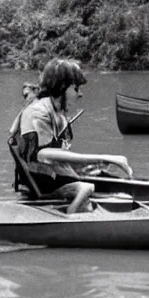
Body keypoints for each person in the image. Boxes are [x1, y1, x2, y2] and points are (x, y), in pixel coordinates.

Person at [10, 58, 131, 213]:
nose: (80, 94)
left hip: (54, 174)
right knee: (89, 188)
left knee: (108, 180)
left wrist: (87, 166)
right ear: (61, 87)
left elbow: (59, 156)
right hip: (43, 180)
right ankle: (70, 217)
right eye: (75, 88)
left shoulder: (56, 112)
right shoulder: (38, 112)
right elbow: (42, 154)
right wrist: (103, 157)